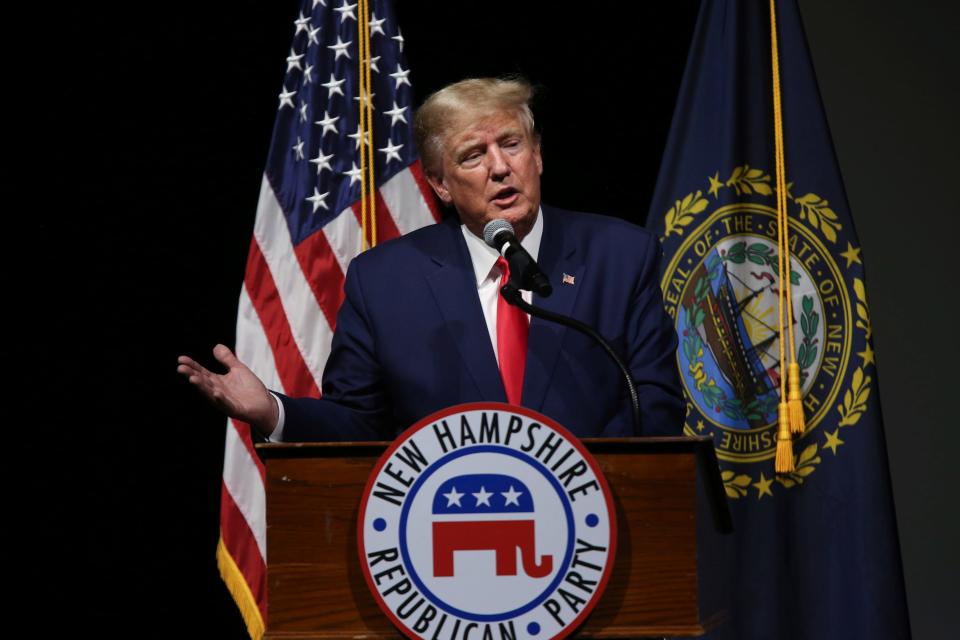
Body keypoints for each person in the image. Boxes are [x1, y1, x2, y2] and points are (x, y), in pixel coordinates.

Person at [178, 77, 684, 441]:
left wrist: (569, 477)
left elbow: (654, 404)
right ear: (440, 185)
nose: (500, 168)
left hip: (598, 524)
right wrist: (271, 411)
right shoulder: (385, 281)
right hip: (446, 537)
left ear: (539, 155)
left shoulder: (621, 255)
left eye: (512, 144)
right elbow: (360, 421)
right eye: (473, 155)